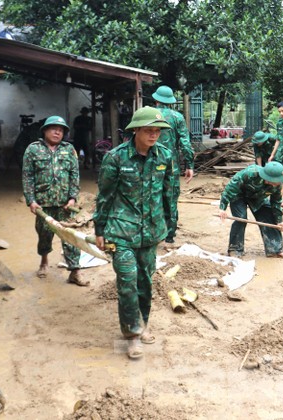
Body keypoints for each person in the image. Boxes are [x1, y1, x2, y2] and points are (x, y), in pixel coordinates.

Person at [93, 106, 174, 359]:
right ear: (135, 130)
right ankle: (133, 334)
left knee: (145, 282)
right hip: (121, 231)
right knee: (127, 282)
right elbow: (104, 196)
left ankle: (144, 322)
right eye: (149, 130)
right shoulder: (116, 158)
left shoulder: (164, 156)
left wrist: (169, 226)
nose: (154, 135)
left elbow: (170, 193)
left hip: (151, 231)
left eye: (158, 131)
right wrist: (99, 229)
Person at [22, 116, 87, 285]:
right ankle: (44, 261)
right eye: (53, 128)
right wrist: (31, 200)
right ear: (44, 130)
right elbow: (27, 176)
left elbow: (75, 175)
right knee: (44, 235)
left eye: (61, 129)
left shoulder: (69, 149)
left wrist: (73, 197)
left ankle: (75, 271)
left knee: (70, 237)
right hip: (43, 205)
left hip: (66, 205)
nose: (58, 132)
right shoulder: (33, 150)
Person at [218, 161, 283, 259]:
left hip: (258, 197)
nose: (278, 183)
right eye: (276, 181)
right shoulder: (250, 173)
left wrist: (279, 221)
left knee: (269, 215)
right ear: (268, 178)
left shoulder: (277, 185)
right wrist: (222, 208)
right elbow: (230, 188)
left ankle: (275, 249)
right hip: (239, 195)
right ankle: (235, 249)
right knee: (241, 218)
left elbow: (276, 202)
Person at [152, 85, 195, 246]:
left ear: (156, 99)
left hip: (149, 163)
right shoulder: (177, 117)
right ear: (170, 101)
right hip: (171, 165)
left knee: (150, 196)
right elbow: (185, 143)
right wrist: (189, 165)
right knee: (170, 199)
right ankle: (169, 236)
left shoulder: (148, 115)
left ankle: (153, 233)